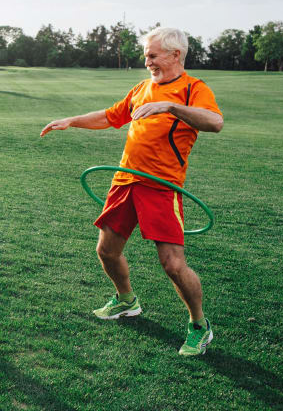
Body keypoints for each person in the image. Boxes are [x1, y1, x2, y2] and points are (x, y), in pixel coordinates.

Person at [41, 27, 223, 356]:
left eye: (153, 55)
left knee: (172, 264)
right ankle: (127, 300)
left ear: (175, 55)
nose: (147, 61)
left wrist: (169, 106)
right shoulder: (141, 88)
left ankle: (199, 325)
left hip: (161, 188)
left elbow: (214, 121)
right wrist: (72, 120)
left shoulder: (193, 89)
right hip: (125, 182)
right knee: (106, 250)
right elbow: (111, 117)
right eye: (146, 55)